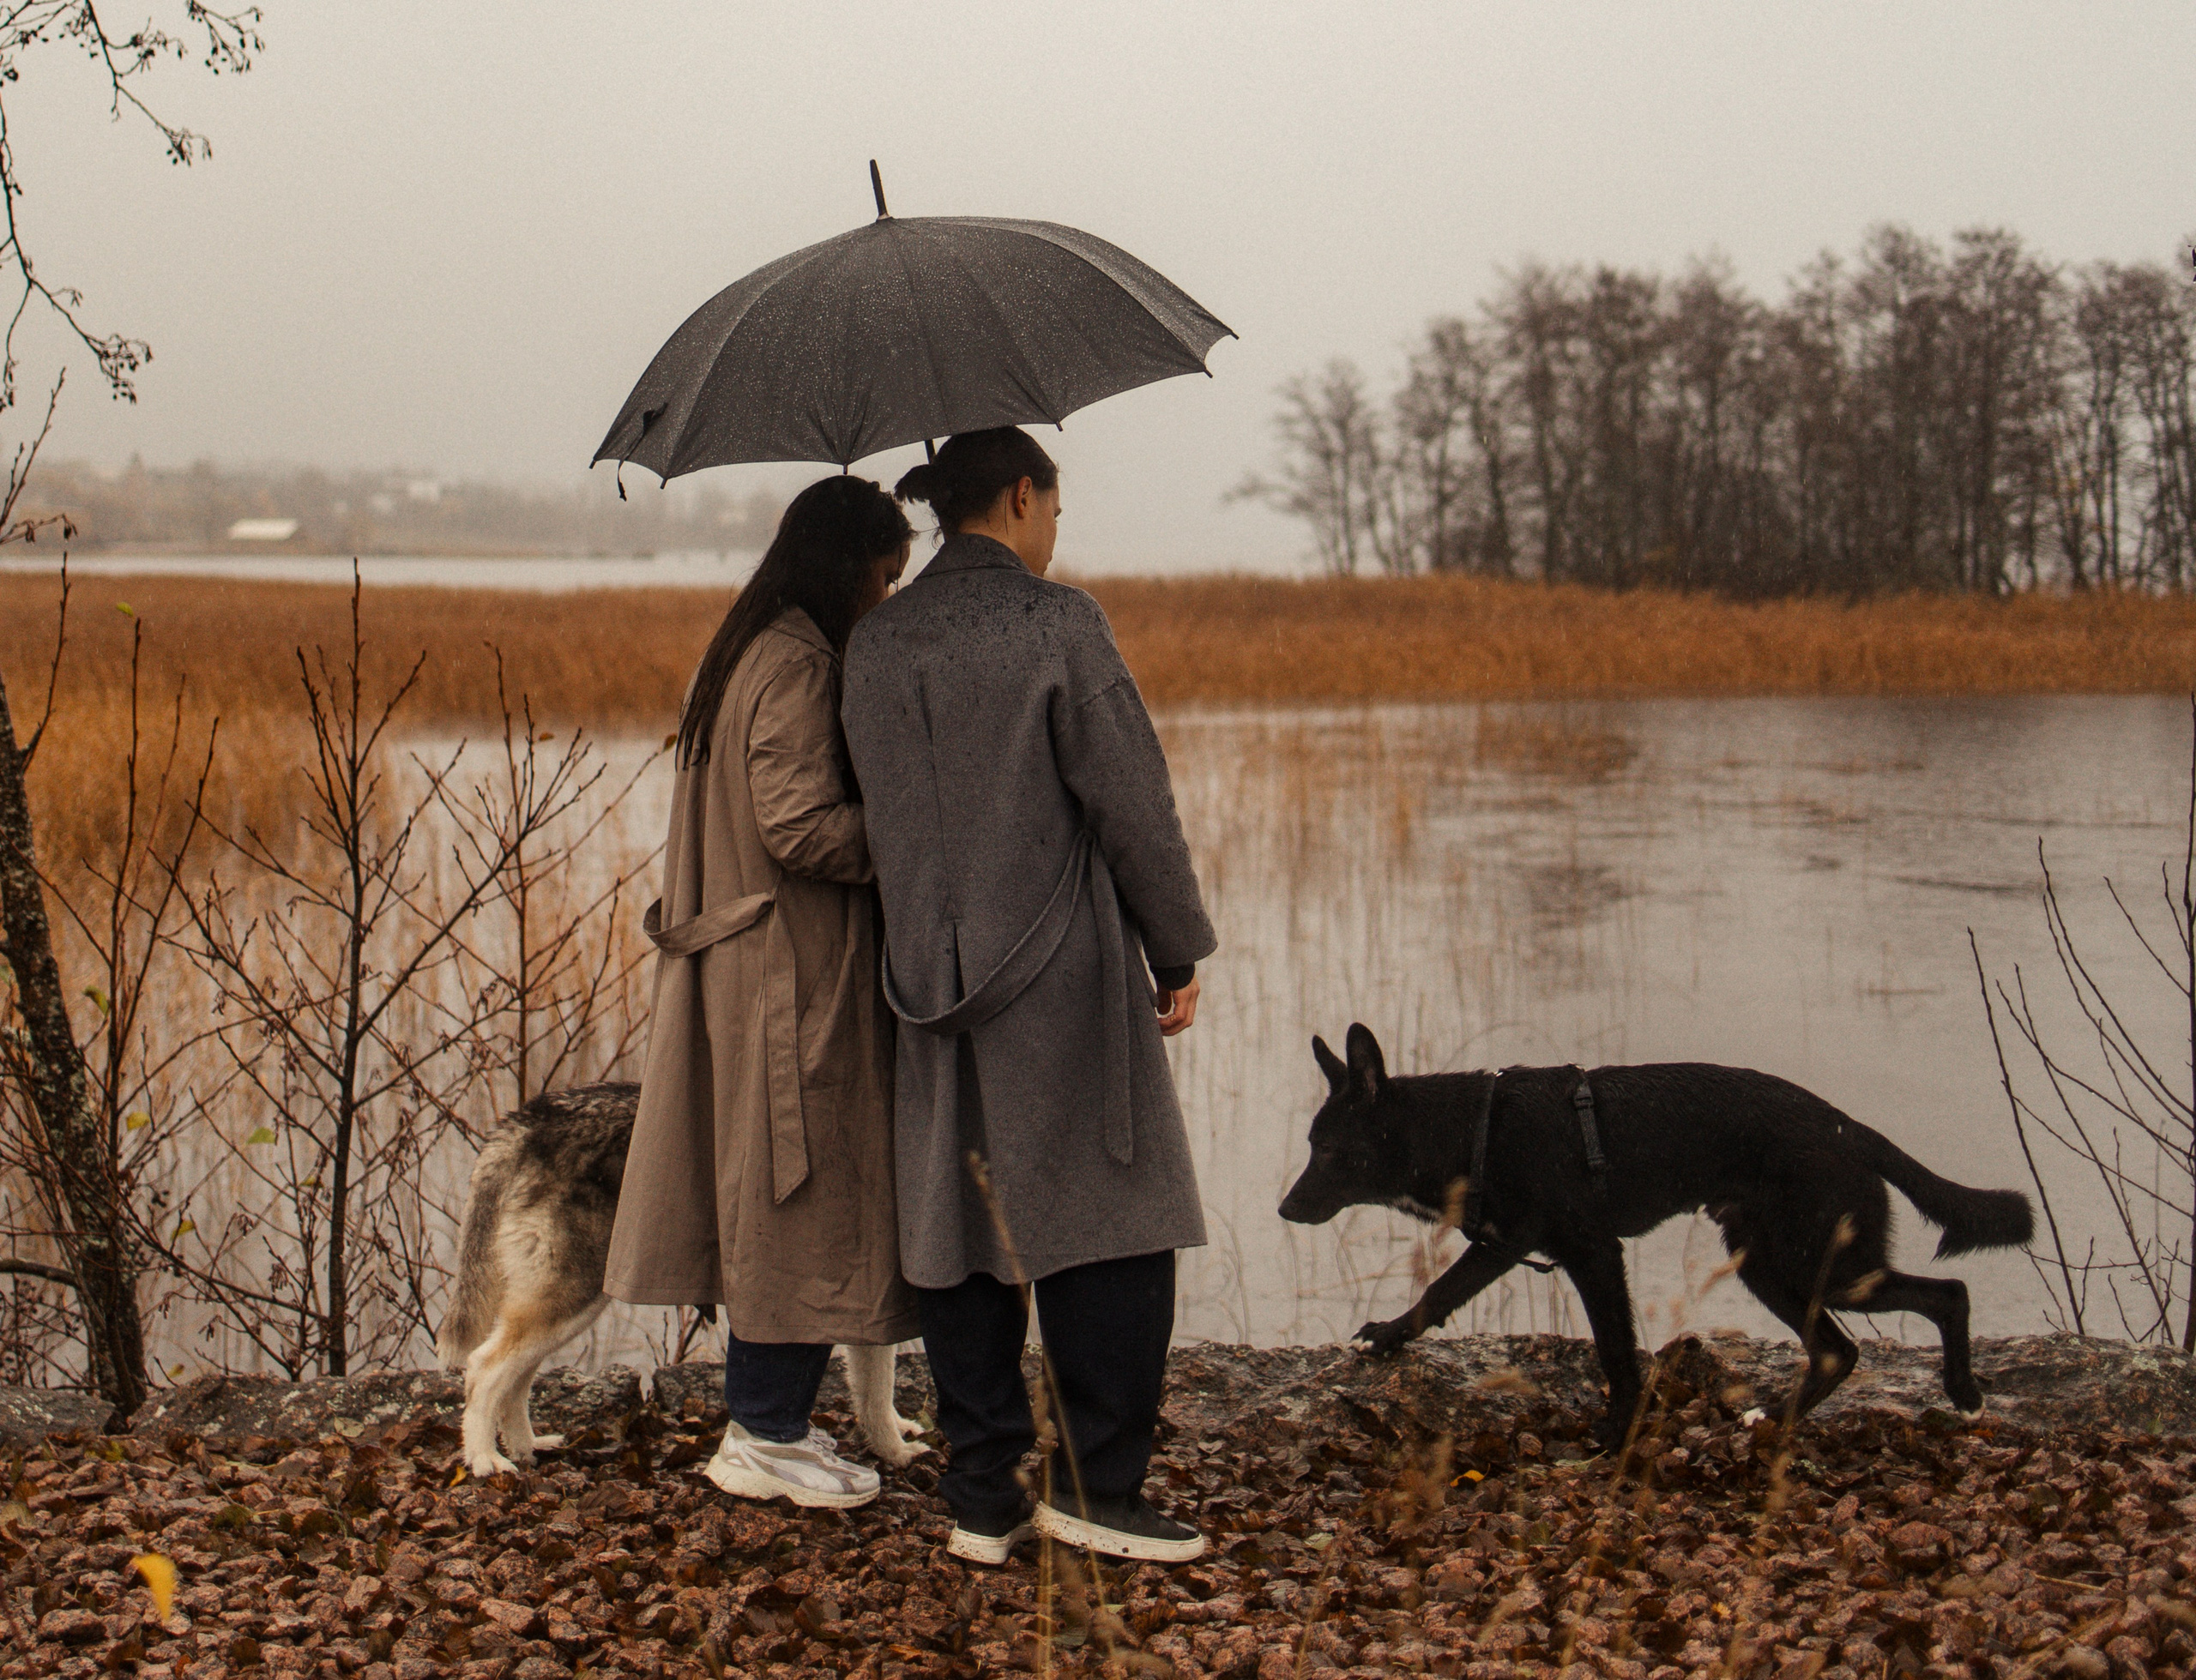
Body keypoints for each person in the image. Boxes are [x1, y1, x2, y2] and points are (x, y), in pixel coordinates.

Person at [841, 427, 1216, 1565]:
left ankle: (984, 1494)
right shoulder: (1061, 622)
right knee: (1113, 1213)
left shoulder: (875, 639)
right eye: (1054, 501)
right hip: (1062, 974)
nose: (1059, 524)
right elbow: (1131, 803)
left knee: (960, 1227)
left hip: (926, 988)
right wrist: (1178, 946)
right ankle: (1099, 1485)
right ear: (1018, 493)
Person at [606, 473, 918, 1508]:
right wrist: (916, 839)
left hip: (753, 964)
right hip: (787, 972)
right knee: (795, 1199)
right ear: (845, 569)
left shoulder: (749, 644)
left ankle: (775, 1426)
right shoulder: (793, 660)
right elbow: (794, 826)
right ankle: (762, 1436)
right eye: (882, 576)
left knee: (773, 1196)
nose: (885, 599)